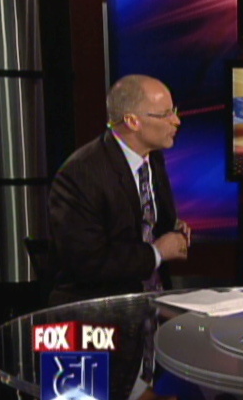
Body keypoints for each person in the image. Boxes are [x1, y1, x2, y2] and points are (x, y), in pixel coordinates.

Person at [48, 74, 190, 305]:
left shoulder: (154, 159)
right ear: (132, 121)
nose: (176, 121)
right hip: (99, 307)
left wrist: (172, 228)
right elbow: (87, 262)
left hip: (153, 301)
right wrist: (157, 253)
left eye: (174, 110)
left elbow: (137, 222)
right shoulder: (81, 175)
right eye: (165, 114)